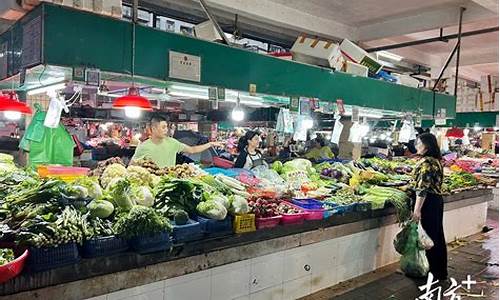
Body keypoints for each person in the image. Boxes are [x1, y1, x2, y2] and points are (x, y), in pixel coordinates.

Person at [412, 133, 447, 280]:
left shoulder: (426, 163)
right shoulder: (436, 161)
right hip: (436, 201)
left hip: (428, 202)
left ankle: (430, 271)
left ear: (426, 146)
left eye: (418, 143)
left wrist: (417, 211)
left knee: (428, 237)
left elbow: (422, 188)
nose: (416, 146)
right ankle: (439, 271)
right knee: (437, 235)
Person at [132, 116, 223, 168]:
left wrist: (210, 144)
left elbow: (192, 150)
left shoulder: (172, 142)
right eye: (163, 127)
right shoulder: (144, 147)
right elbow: (132, 165)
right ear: (154, 129)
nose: (166, 130)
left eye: (167, 127)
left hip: (168, 182)